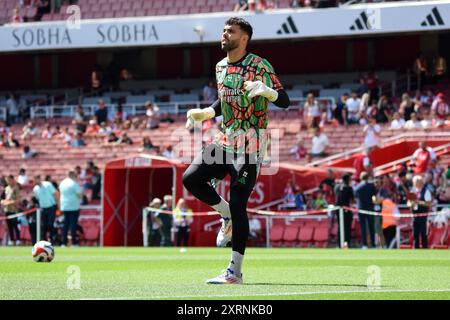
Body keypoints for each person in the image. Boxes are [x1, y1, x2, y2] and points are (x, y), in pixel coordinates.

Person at [182, 17, 289, 285]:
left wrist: (268, 92)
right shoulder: (220, 66)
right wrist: (207, 112)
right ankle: (224, 213)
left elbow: (285, 101)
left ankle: (234, 272)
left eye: (230, 31)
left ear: (244, 38)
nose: (224, 34)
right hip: (225, 140)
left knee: (240, 202)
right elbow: (223, 99)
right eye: (223, 30)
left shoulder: (259, 65)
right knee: (191, 178)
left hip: (251, 144)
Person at [59, 171, 82, 247]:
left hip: (64, 206)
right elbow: (79, 195)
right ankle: (74, 243)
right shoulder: (74, 183)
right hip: (73, 206)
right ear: (73, 175)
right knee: (73, 225)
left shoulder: (62, 183)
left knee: (65, 225)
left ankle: (64, 243)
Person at [408, 175, 432, 249]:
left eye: (416, 182)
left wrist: (419, 202)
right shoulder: (412, 191)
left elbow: (428, 203)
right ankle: (416, 248)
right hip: (415, 215)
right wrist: (411, 204)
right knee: (415, 233)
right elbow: (409, 202)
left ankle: (424, 248)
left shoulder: (426, 191)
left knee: (423, 233)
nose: (414, 184)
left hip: (423, 215)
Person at [355, 172, 377, 249]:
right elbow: (375, 194)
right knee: (371, 227)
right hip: (370, 208)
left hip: (362, 208)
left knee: (363, 227)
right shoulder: (371, 186)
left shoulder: (358, 187)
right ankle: (373, 244)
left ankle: (365, 244)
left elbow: (355, 195)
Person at [33, 175, 58, 242]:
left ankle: (52, 239)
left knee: (50, 224)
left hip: (51, 207)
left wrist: (58, 204)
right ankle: (44, 240)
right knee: (43, 225)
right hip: (43, 208)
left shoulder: (47, 184)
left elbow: (55, 193)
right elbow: (37, 198)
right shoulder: (35, 189)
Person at [334, 173, 354, 248]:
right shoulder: (348, 187)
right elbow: (352, 199)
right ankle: (346, 243)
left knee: (340, 226)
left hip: (338, 209)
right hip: (346, 209)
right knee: (347, 227)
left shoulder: (336, 187)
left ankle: (339, 244)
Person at [1, 175, 21, 245]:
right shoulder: (6, 188)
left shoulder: (16, 188)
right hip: (7, 210)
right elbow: (3, 199)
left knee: (15, 225)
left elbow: (18, 200)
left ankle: (18, 239)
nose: (8, 181)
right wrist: (3, 202)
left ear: (12, 179)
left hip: (14, 210)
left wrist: (9, 203)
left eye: (9, 180)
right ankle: (12, 240)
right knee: (9, 226)